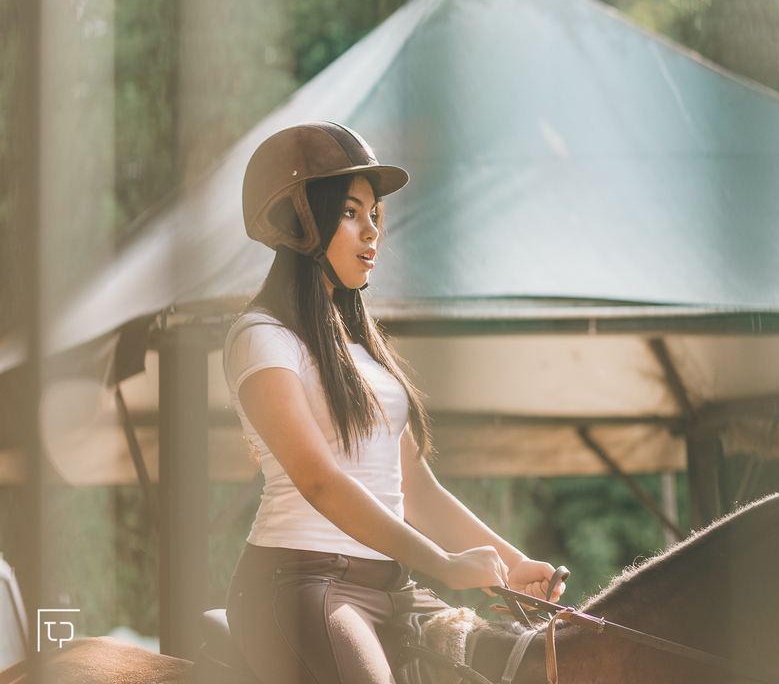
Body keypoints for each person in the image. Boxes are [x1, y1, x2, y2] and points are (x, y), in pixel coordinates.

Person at [223, 121, 562, 684]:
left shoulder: (360, 350)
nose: (372, 232)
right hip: (302, 585)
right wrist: (447, 565)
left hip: (393, 589)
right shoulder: (261, 336)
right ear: (300, 222)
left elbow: (418, 489)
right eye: (351, 212)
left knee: (533, 666)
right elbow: (318, 479)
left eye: (374, 215)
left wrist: (512, 564)